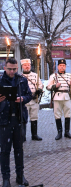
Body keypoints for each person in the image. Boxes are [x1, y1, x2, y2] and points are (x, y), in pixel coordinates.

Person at [0, 58, 32, 186]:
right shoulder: (0, 80)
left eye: (14, 69)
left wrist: (23, 98)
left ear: (17, 68)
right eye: (9, 69)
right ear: (5, 68)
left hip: (18, 118)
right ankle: (6, 178)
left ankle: (20, 176)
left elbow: (29, 95)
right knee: (5, 151)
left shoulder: (22, 80)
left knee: (19, 150)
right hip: (4, 120)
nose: (12, 71)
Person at [47, 59, 71, 140]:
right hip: (57, 97)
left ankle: (67, 132)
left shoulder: (69, 75)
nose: (62, 67)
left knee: (68, 114)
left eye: (63, 66)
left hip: (67, 97)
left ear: (65, 66)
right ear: (58, 66)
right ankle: (59, 132)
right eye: (60, 66)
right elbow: (48, 87)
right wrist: (55, 86)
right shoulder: (53, 76)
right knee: (57, 115)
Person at [21, 59, 43, 141]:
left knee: (34, 117)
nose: (27, 66)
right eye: (25, 65)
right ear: (22, 66)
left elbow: (40, 85)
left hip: (34, 99)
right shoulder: (20, 76)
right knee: (23, 118)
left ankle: (34, 135)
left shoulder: (35, 75)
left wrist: (39, 90)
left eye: (28, 65)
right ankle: (23, 136)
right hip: (25, 100)